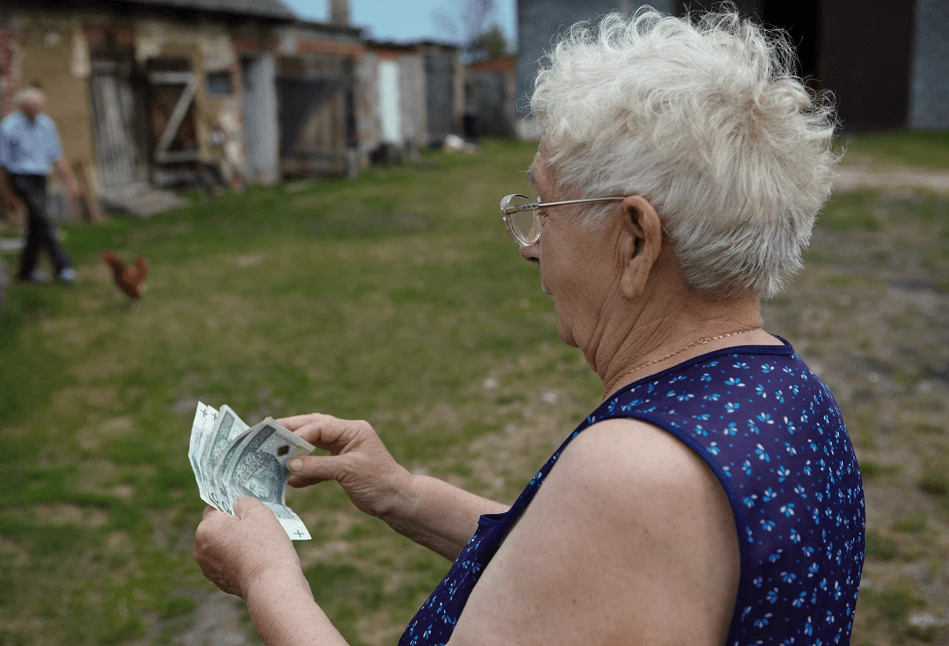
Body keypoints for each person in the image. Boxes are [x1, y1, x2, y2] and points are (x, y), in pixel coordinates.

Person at [194, 8, 865, 645]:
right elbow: (589, 572)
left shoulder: (635, 474)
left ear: (636, 240)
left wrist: (266, 577)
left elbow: (609, 543)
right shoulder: (788, 394)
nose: (529, 245)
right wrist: (402, 495)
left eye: (546, 207)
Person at [0, 87, 82, 283]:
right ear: (22, 106)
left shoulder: (46, 124)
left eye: (40, 106)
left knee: (36, 225)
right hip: (19, 177)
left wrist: (70, 181)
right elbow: (2, 165)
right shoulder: (8, 127)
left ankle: (26, 272)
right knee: (45, 219)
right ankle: (63, 266)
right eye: (33, 106)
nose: (37, 110)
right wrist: (8, 195)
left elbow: (57, 156)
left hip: (40, 178)